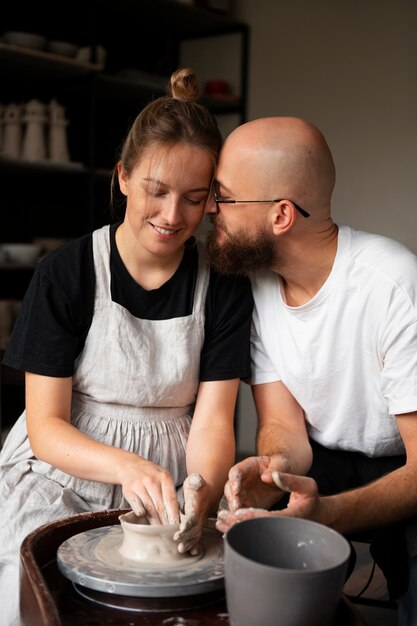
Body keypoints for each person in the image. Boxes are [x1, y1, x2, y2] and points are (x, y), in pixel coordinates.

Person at [0, 68, 253, 626]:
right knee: (30, 587)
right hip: (64, 464)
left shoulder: (224, 285)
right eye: (155, 192)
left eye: (193, 199)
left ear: (212, 198)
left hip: (172, 471)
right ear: (123, 176)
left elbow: (213, 421)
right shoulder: (67, 272)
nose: (171, 217)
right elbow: (46, 427)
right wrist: (124, 467)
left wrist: (201, 493)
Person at [207, 116, 417, 625]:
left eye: (225, 197)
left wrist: (328, 514)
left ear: (281, 215)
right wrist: (271, 472)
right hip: (326, 456)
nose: (211, 208)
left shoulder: (392, 286)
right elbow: (284, 427)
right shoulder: (257, 286)